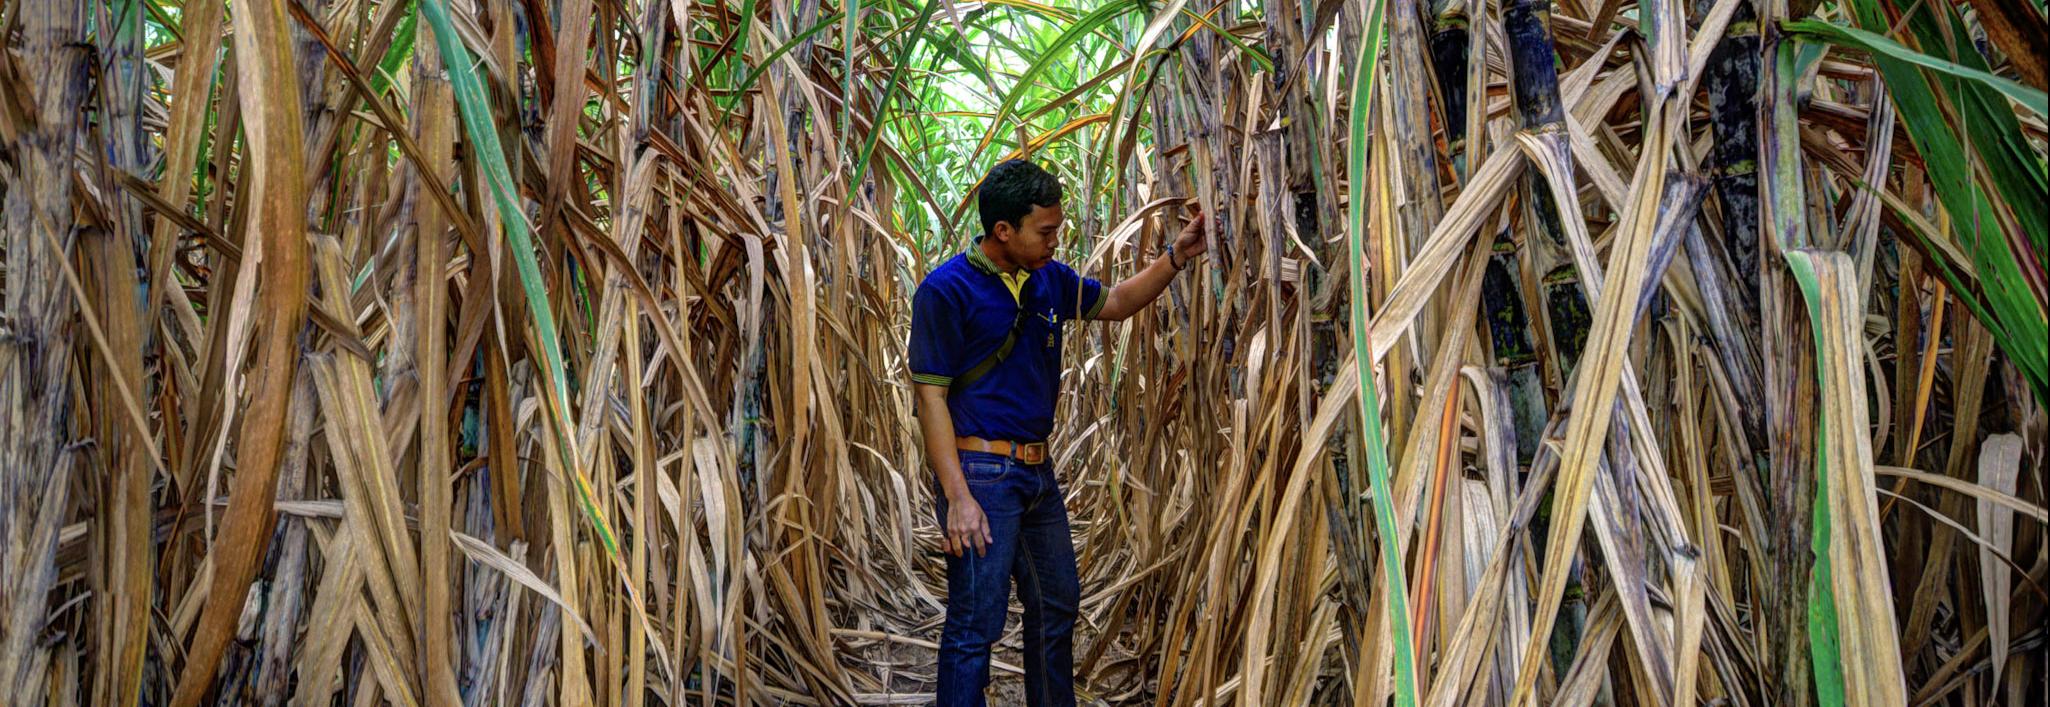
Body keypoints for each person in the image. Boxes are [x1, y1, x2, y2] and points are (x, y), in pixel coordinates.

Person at [908, 159, 1210, 706]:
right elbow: (930, 397)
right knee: (976, 623)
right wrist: (957, 498)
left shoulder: (1048, 279)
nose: (1055, 240)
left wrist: (1176, 257)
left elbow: (1115, 304)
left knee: (1057, 605)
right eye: (1045, 231)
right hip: (982, 476)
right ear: (1004, 231)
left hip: (1036, 475)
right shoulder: (945, 291)